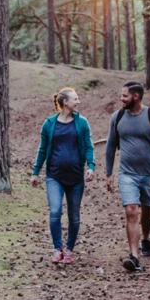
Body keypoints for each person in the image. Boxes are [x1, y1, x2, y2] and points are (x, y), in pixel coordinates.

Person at [103, 81, 150, 272]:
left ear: (135, 97)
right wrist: (108, 173)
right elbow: (110, 146)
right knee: (131, 211)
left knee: (147, 210)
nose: (121, 99)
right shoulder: (117, 117)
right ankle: (133, 257)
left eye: (124, 96)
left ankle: (145, 239)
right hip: (127, 174)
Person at [30, 87, 95, 263]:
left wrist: (91, 166)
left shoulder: (82, 123)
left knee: (74, 216)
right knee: (56, 211)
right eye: (75, 99)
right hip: (54, 176)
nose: (78, 102)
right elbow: (42, 149)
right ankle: (57, 248)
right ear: (65, 102)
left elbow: (89, 146)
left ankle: (69, 249)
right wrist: (36, 172)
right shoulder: (49, 124)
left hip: (75, 178)